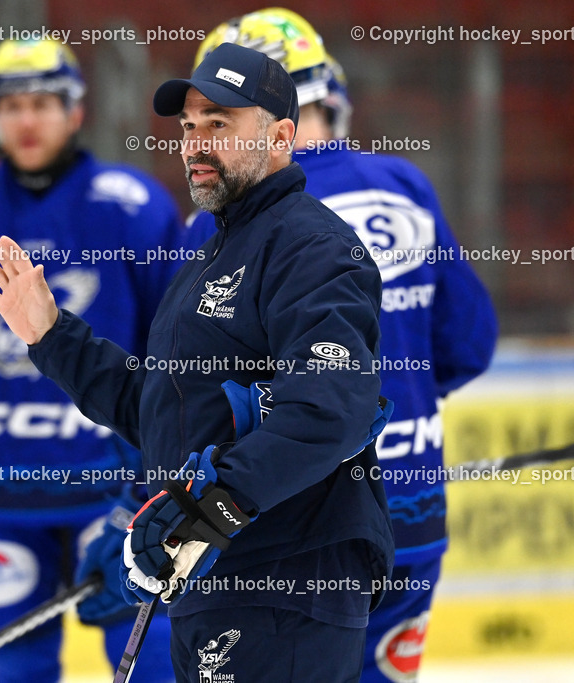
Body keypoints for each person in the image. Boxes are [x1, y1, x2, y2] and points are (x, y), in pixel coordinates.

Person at [0, 42, 395, 683]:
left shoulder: (313, 247)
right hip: (216, 577)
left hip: (288, 579)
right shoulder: (211, 254)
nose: (196, 143)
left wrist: (208, 507)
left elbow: (329, 409)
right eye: (190, 127)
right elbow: (166, 410)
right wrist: (52, 336)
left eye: (219, 125)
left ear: (281, 135)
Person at [193, 9, 499, 682]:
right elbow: (470, 343)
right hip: (413, 516)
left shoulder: (225, 221)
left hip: (298, 535)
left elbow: (194, 398)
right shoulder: (405, 186)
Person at [0, 37, 193, 683]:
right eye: (13, 104)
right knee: (19, 668)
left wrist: (163, 477)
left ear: (76, 111)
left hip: (114, 490)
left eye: (45, 104)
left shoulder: (132, 208)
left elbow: (177, 357)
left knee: (152, 660)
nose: (27, 120)